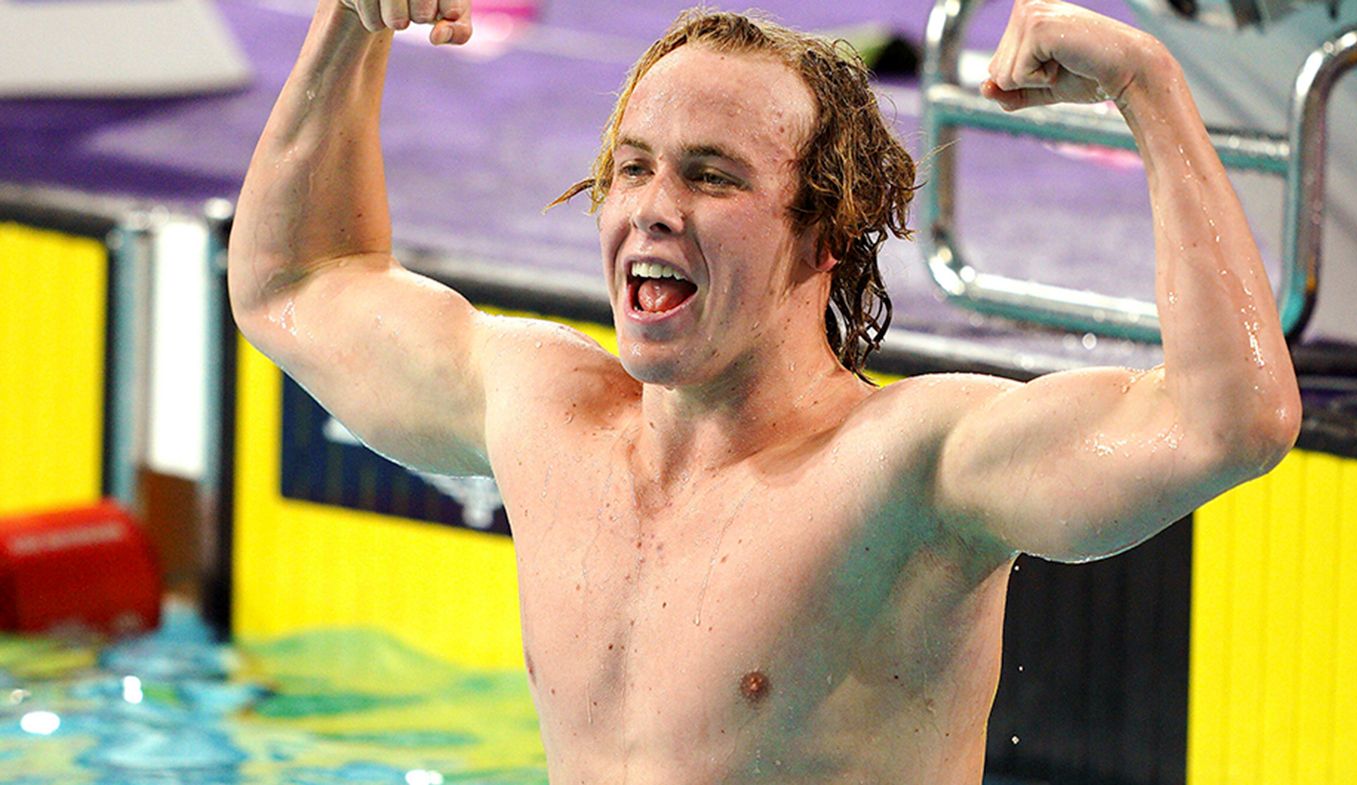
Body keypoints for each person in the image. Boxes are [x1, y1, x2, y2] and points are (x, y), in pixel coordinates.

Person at [227, 0, 1302, 780]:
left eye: (710, 174)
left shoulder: (909, 465)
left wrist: (1147, 87)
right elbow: (294, 283)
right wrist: (349, 24)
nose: (653, 207)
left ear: (824, 234)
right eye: (633, 166)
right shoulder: (540, 412)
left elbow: (1229, 421)